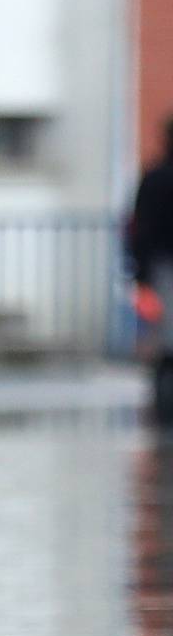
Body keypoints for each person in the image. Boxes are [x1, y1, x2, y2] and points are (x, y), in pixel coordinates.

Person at [131, 118, 173, 423]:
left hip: (161, 268)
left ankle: (162, 398)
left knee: (163, 339)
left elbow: (139, 229)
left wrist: (140, 272)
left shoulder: (155, 178)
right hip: (162, 267)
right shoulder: (156, 178)